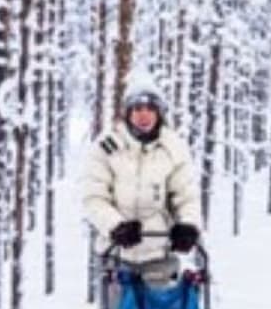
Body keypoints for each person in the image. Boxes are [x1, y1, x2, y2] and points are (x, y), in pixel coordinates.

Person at [81, 77, 201, 264]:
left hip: (159, 252)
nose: (144, 115)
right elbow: (94, 198)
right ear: (128, 113)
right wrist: (115, 226)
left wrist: (188, 224)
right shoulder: (107, 147)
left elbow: (186, 196)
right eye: (137, 109)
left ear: (159, 113)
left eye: (151, 109)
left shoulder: (173, 148)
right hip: (115, 251)